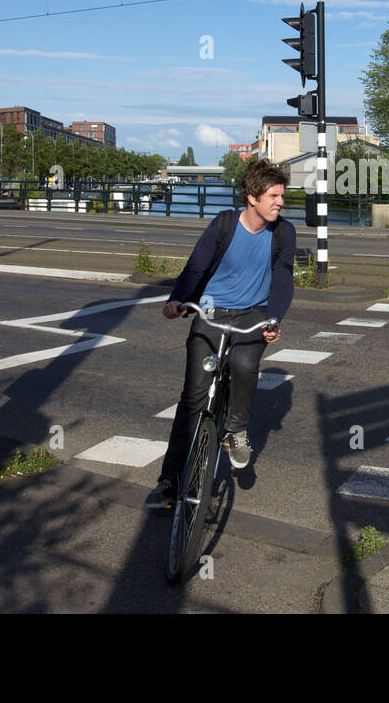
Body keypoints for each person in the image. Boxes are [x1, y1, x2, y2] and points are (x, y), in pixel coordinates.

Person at [145, 159, 296, 512]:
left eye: (281, 196)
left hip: (254, 314)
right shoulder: (224, 224)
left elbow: (283, 279)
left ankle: (237, 430)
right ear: (252, 196)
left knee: (245, 364)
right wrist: (178, 299)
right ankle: (168, 481)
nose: (280, 202)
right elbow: (196, 265)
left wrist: (273, 319)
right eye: (274, 195)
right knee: (194, 398)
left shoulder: (284, 233)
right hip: (211, 311)